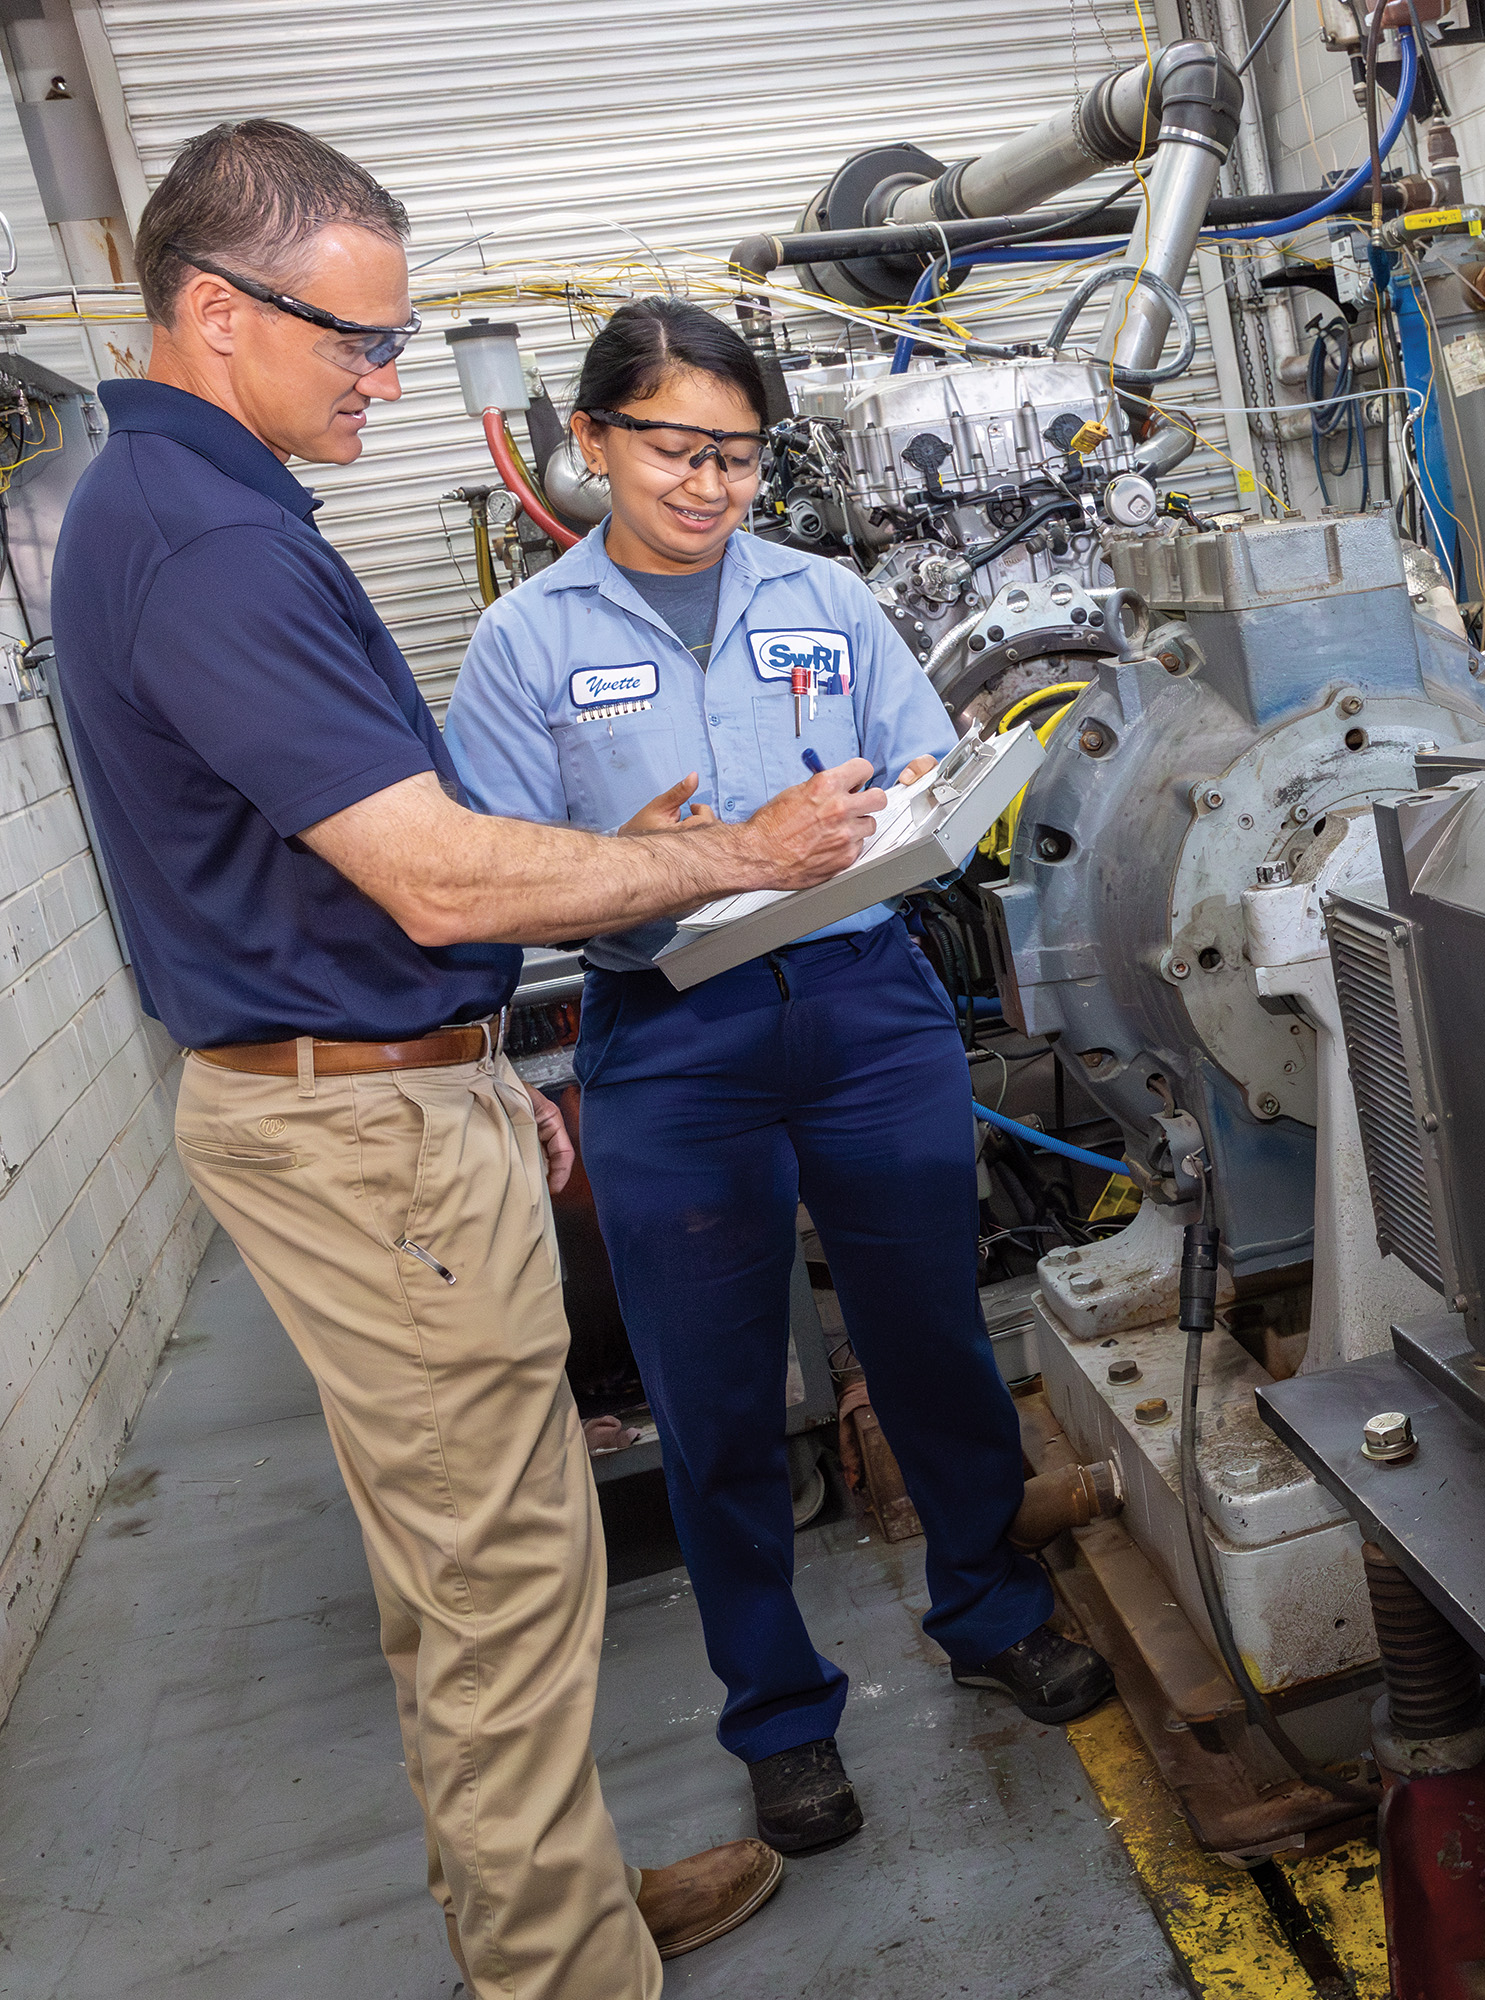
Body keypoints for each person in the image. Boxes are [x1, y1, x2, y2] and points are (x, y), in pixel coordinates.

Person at [49, 119, 871, 1995]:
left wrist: (494, 1037)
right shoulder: (204, 545)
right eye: (357, 339)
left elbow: (359, 872)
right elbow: (426, 872)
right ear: (215, 311)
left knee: (462, 1576)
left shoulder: (191, 509)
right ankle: (560, 1971)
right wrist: (731, 853)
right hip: (363, 1133)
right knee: (502, 1583)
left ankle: (547, 1908)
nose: (389, 378)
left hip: (377, 1100)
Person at [443, 297, 1120, 1859]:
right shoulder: (529, 642)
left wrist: (918, 809)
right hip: (670, 1035)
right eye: (675, 449)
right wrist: (631, 862)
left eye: (738, 455)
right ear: (592, 441)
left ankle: (988, 1607)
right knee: (718, 1394)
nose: (710, 484)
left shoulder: (824, 596)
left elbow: (921, 769)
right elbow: (493, 870)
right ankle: (779, 1715)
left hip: (864, 1006)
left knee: (933, 1339)